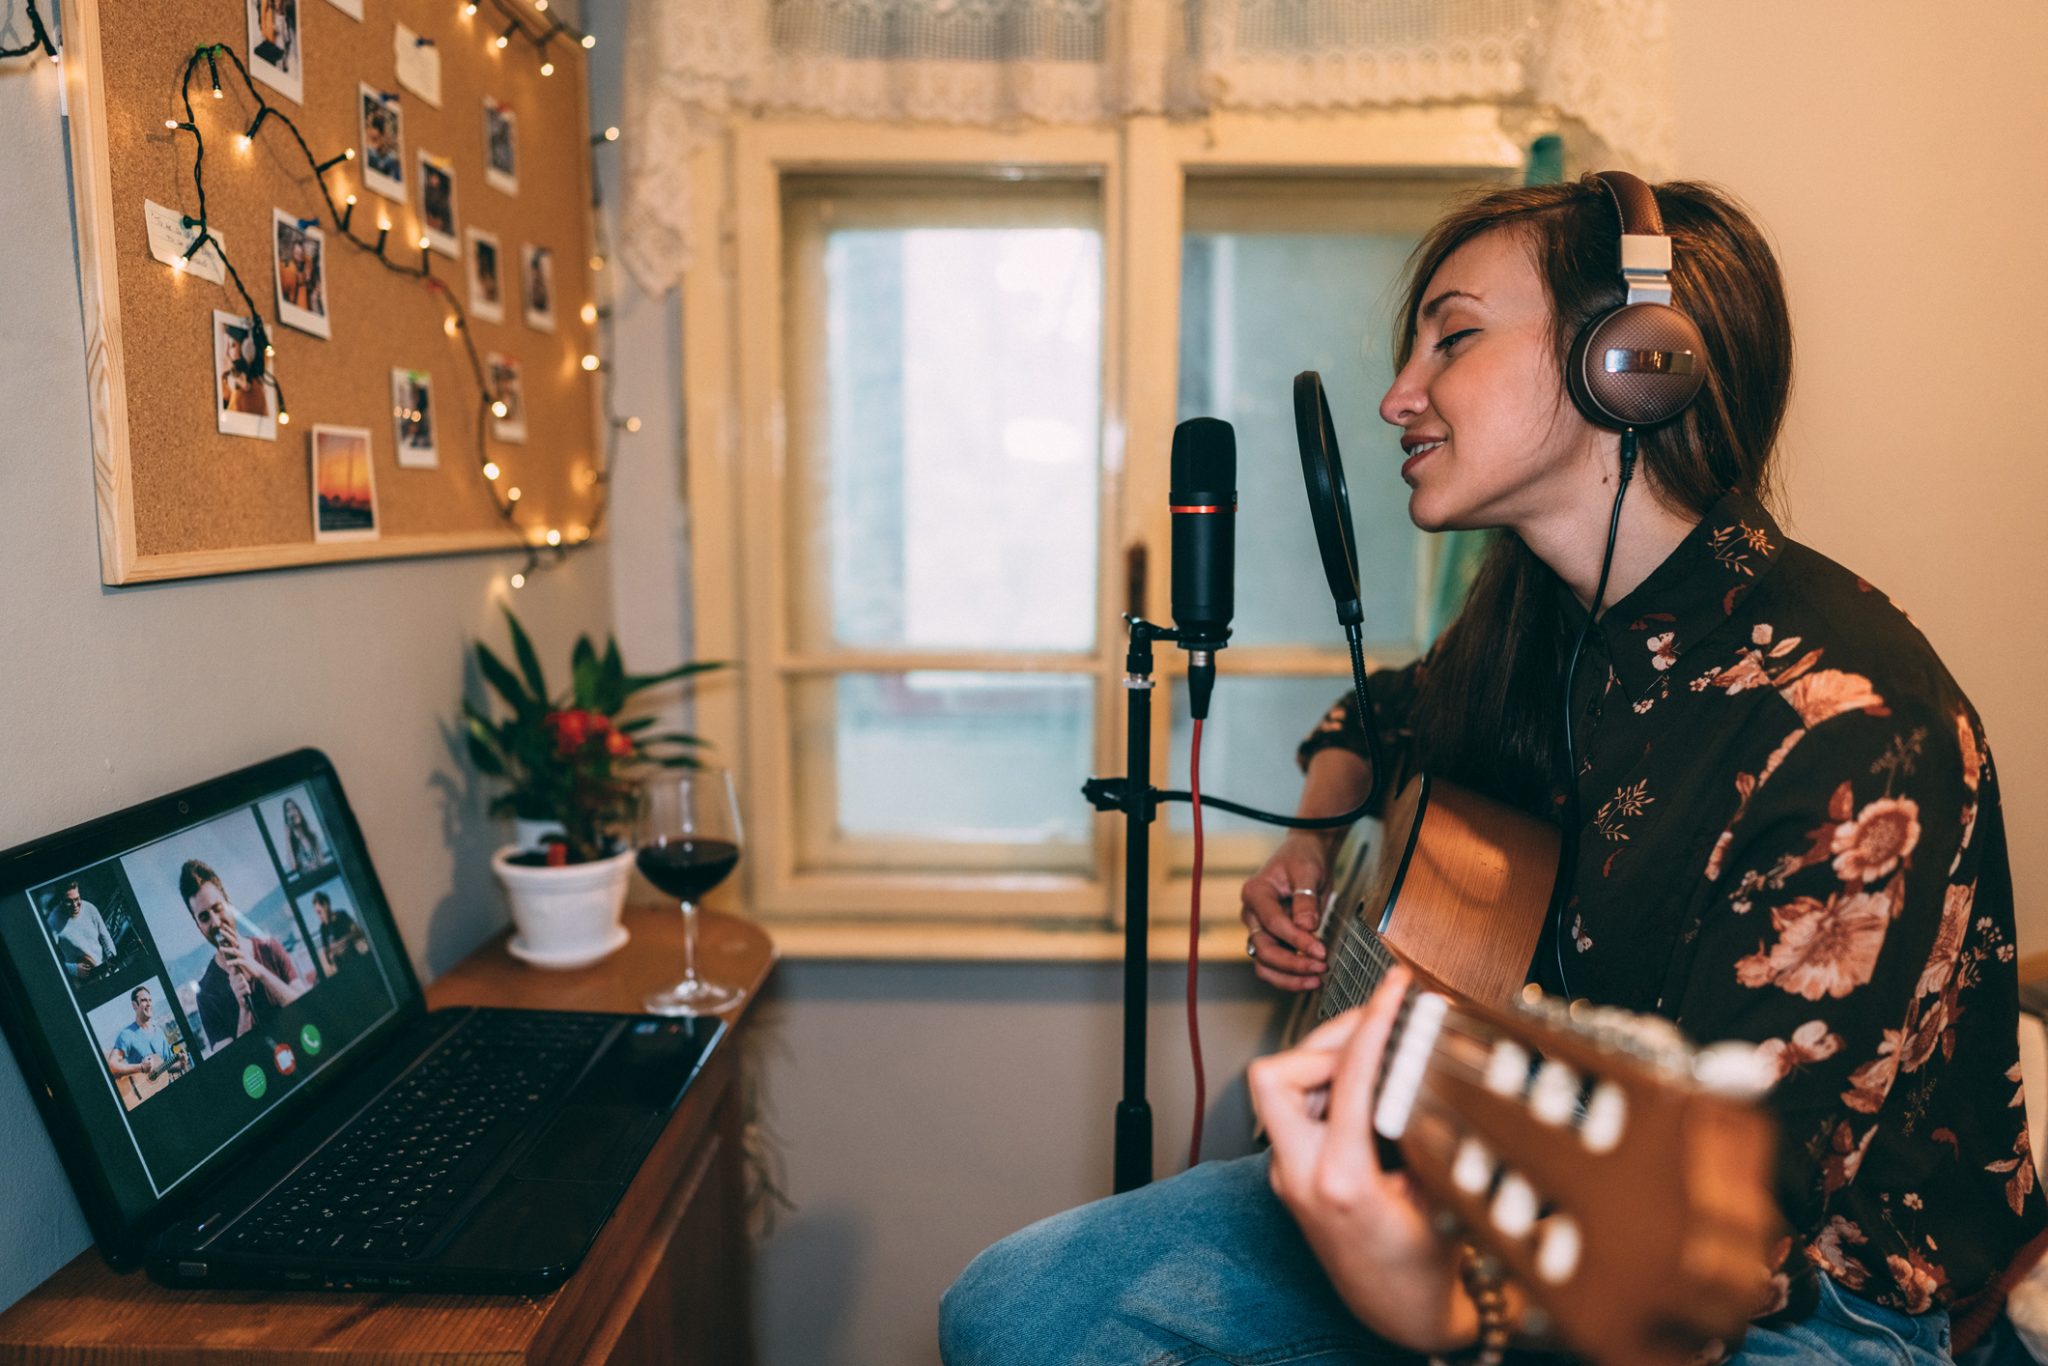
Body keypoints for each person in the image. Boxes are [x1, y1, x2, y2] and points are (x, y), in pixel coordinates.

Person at [940, 174, 2043, 1364]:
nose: (1395, 396)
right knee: (1014, 1309)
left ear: (1629, 363)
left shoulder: (1845, 724)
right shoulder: (1540, 620)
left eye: (1451, 337)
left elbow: (1734, 1229)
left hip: (1798, 1297)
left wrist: (1435, 1309)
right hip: (1512, 1187)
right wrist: (1314, 837)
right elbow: (1383, 710)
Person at [181, 858, 308, 1051]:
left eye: (217, 908)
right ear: (198, 926)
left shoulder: (270, 948)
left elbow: (306, 1006)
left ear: (229, 903)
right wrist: (244, 1011)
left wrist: (260, 972)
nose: (215, 922)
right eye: (204, 917)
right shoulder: (206, 994)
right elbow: (235, 1065)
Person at [105, 984, 181, 1103]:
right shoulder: (127, 1034)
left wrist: (180, 1064)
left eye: (150, 1000)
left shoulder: (160, 1032)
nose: (149, 1004)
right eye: (144, 1000)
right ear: (134, 1005)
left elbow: (166, 1065)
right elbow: (112, 1065)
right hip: (142, 1098)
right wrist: (141, 1067)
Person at [49, 881, 117, 980]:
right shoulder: (53, 921)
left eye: (77, 899)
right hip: (83, 980)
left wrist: (113, 958)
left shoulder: (90, 909)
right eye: (69, 901)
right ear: (60, 900)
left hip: (105, 969)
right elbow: (49, 959)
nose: (75, 905)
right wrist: (73, 969)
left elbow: (105, 937)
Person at [312, 890, 364, 974]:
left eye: (319, 912)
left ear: (325, 905)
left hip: (355, 960)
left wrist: (342, 942)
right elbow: (326, 951)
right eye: (317, 914)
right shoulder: (323, 928)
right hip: (341, 968)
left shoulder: (342, 915)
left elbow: (357, 932)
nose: (318, 916)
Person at [282, 797, 325, 874]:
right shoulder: (291, 845)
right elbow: (293, 866)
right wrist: (287, 837)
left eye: (294, 808)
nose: (292, 812)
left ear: (299, 811)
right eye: (288, 810)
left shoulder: (312, 836)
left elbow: (322, 862)